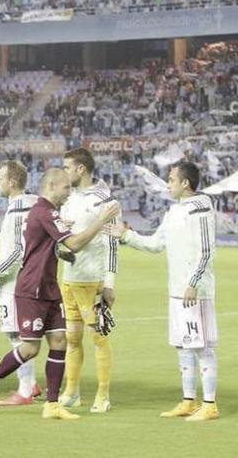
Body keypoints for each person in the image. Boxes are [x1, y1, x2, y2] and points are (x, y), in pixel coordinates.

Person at [0, 168, 119, 420]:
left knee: (60, 341)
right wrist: (101, 220)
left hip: (50, 288)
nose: (69, 192)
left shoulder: (50, 213)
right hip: (32, 289)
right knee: (30, 349)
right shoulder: (44, 211)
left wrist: (61, 247)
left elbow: (50, 245)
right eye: (66, 188)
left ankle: (52, 404)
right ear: (52, 186)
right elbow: (73, 243)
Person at [105, 162, 219, 421]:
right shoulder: (173, 212)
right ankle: (189, 401)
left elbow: (207, 251)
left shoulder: (201, 209)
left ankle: (209, 404)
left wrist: (194, 283)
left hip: (195, 291)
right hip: (177, 290)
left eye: (171, 179)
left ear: (185, 183)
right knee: (183, 346)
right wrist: (126, 236)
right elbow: (156, 244)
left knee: (201, 346)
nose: (167, 183)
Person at [60, 148, 120, 413]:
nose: (65, 172)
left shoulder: (103, 199)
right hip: (69, 279)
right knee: (72, 339)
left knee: (99, 337)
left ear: (80, 169)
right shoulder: (69, 198)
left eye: (67, 167)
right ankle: (72, 391)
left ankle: (103, 395)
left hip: (93, 280)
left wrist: (110, 282)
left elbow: (112, 243)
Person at [0, 161, 41, 405]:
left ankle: (25, 390)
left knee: (18, 336)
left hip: (14, 284)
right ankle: (32, 385)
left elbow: (18, 250)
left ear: (12, 182)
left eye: (0, 178)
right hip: (29, 281)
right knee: (25, 335)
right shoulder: (30, 204)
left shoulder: (16, 208)